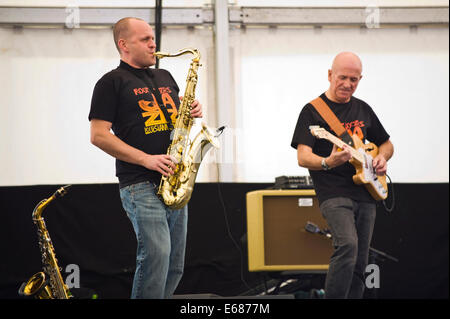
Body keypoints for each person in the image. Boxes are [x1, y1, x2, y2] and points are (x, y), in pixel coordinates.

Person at [88, 17, 203, 299]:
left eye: (153, 38)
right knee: (157, 256)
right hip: (140, 182)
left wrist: (191, 110)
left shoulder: (165, 78)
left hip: (174, 180)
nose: (154, 44)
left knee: (174, 265)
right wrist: (146, 159)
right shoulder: (110, 82)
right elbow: (98, 135)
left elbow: (176, 124)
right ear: (123, 45)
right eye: (145, 40)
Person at [291, 52, 394, 299]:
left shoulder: (363, 109)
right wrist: (328, 162)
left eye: (354, 79)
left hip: (366, 192)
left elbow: (387, 144)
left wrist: (382, 158)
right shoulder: (312, 112)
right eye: (343, 77)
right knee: (347, 244)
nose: (348, 84)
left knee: (361, 258)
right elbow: (303, 157)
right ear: (330, 75)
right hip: (333, 192)